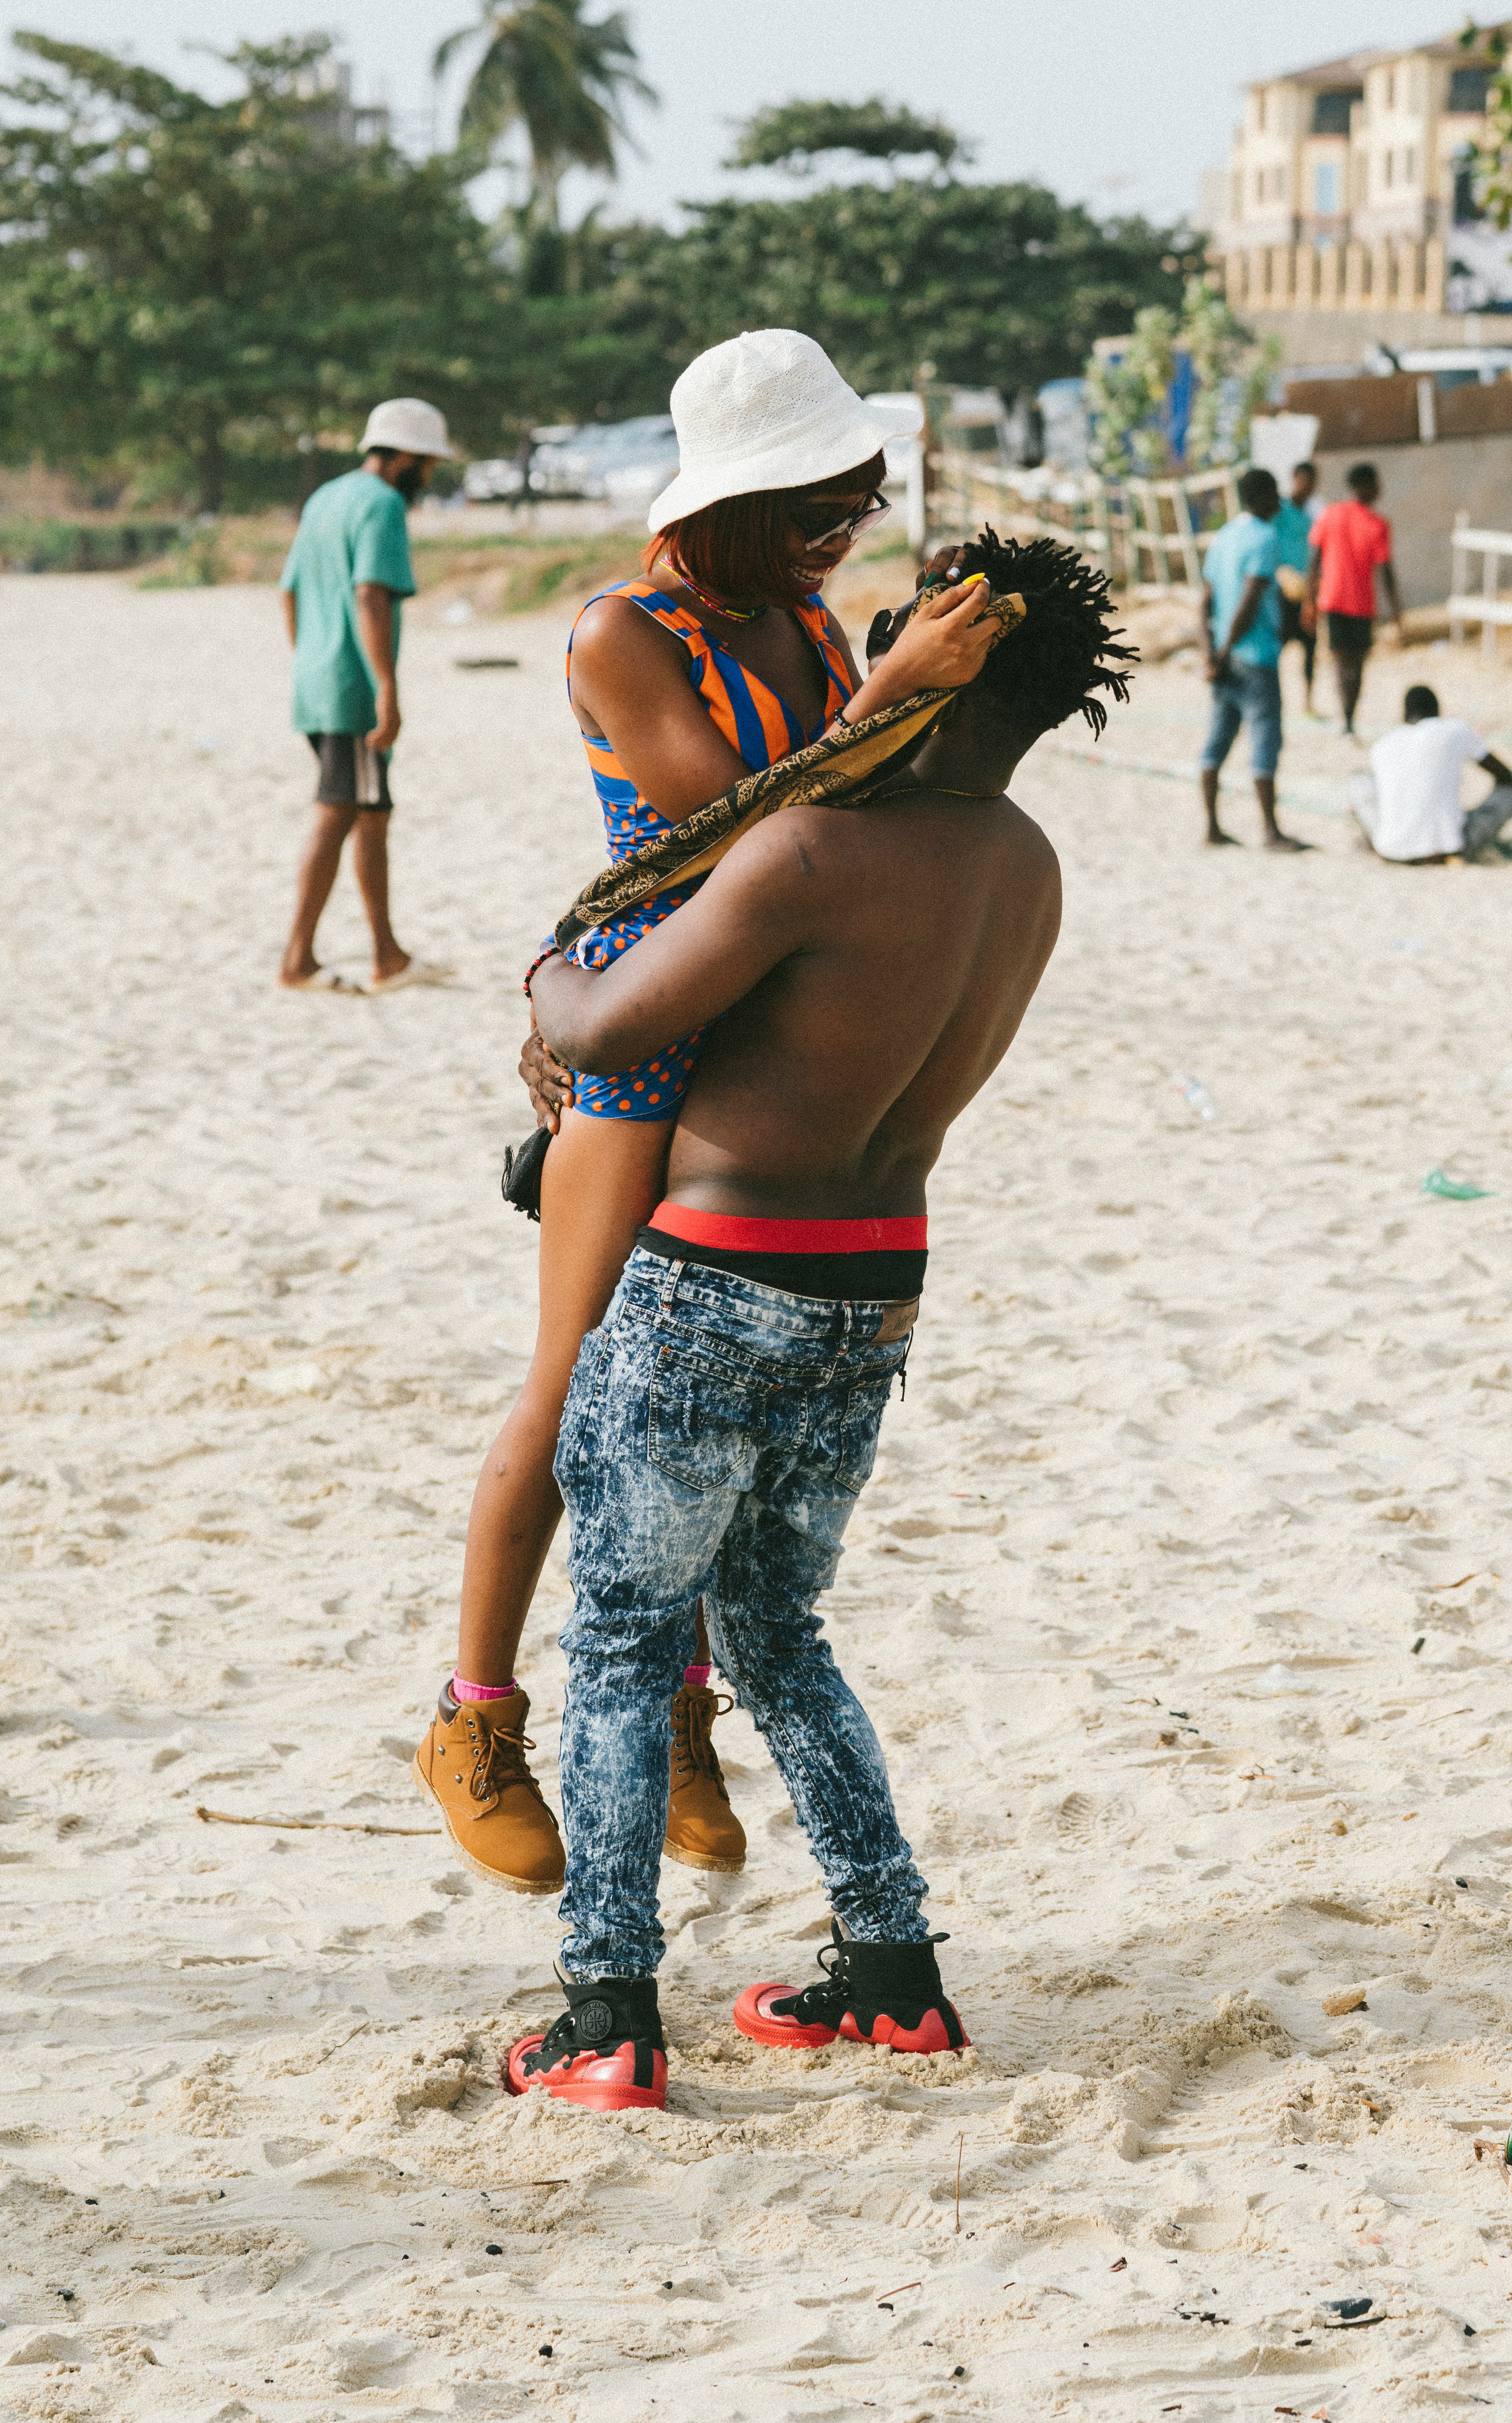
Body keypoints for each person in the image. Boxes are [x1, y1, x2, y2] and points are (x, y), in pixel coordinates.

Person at [499, 531, 1134, 2108]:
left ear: (936, 671)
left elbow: (603, 1019)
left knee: (626, 1646)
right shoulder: (1022, 863)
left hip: (711, 1282)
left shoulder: (808, 859)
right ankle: (891, 1968)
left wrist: (546, 977)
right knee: (780, 1635)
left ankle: (605, 2012)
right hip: (873, 1289)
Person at [415, 332, 997, 1900]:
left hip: (759, 1005)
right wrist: (887, 690)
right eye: (819, 506)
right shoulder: (624, 631)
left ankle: (677, 1715)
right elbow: (735, 824)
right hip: (654, 1015)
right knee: (577, 1371)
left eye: (857, 504)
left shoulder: (799, 617)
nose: (844, 535)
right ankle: (471, 1717)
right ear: (735, 501)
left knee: (691, 1406)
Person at [277, 398, 452, 994]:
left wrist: (310, 659)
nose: (428, 477)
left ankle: (388, 954)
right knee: (339, 811)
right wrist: (386, 688)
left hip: (318, 679)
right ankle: (297, 958)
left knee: (372, 813)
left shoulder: (326, 498)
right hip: (352, 689)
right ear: (407, 457)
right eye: (427, 464)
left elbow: (290, 591)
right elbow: (371, 595)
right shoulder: (381, 506)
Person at [1199, 465, 1305, 850]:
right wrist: (1226, 651)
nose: (1279, 501)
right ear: (1261, 497)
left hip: (1223, 660)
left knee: (1217, 742)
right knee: (1265, 743)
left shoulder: (1224, 537)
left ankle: (1212, 828)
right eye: (1274, 494)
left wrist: (1209, 654)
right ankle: (1271, 831)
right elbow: (1250, 600)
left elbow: (1206, 602)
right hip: (1254, 657)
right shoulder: (1265, 538)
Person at [1350, 683, 1512, 863]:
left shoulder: (1384, 745)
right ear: (1437, 711)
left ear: (1405, 715)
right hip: (1447, 850)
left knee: (1360, 781)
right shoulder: (1454, 729)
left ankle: (1371, 841)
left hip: (1390, 850)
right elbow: (1504, 773)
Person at [1308, 461, 1400, 735]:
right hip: (1360, 604)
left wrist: (1310, 599)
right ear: (1367, 486)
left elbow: (1314, 562)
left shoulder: (1329, 515)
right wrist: (1396, 609)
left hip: (1332, 600)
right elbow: (1386, 571)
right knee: (1356, 664)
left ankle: (1345, 714)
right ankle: (1349, 717)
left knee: (1341, 662)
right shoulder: (1378, 524)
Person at [1273, 460, 1320, 713]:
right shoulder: (1279, 511)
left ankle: (1308, 703)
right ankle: (1274, 700)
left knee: (1310, 648)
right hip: (1282, 591)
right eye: (1304, 481)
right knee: (1278, 646)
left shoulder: (1311, 519)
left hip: (1306, 592)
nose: (1308, 487)